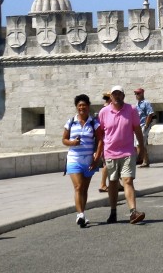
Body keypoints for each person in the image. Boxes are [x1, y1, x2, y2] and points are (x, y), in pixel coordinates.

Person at [94, 85, 146, 225]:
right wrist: (99, 152)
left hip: (128, 151)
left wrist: (141, 148)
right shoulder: (104, 112)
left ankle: (133, 212)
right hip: (110, 152)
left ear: (123, 96)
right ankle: (113, 212)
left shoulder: (131, 110)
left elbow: (137, 130)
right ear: (110, 97)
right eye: (114, 94)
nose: (117, 97)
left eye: (119, 94)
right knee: (112, 183)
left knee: (128, 180)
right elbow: (100, 134)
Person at [62, 94, 99, 228]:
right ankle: (80, 215)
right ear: (76, 107)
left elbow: (100, 140)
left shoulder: (93, 122)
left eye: (84, 105)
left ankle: (83, 213)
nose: (81, 108)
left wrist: (97, 158)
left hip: (89, 160)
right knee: (78, 187)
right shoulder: (71, 121)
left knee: (84, 189)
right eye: (79, 106)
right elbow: (64, 139)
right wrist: (73, 142)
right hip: (74, 159)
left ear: (88, 107)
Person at [133, 88, 155, 167]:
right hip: (138, 126)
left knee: (140, 143)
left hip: (143, 125)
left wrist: (146, 125)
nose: (136, 95)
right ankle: (146, 161)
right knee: (140, 144)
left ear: (142, 93)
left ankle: (141, 159)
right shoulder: (136, 104)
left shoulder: (146, 103)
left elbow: (150, 114)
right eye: (135, 94)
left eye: (138, 93)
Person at [97, 91, 112, 192]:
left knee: (112, 164)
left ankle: (118, 184)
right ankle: (102, 184)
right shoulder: (105, 110)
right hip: (106, 142)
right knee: (107, 164)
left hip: (109, 142)